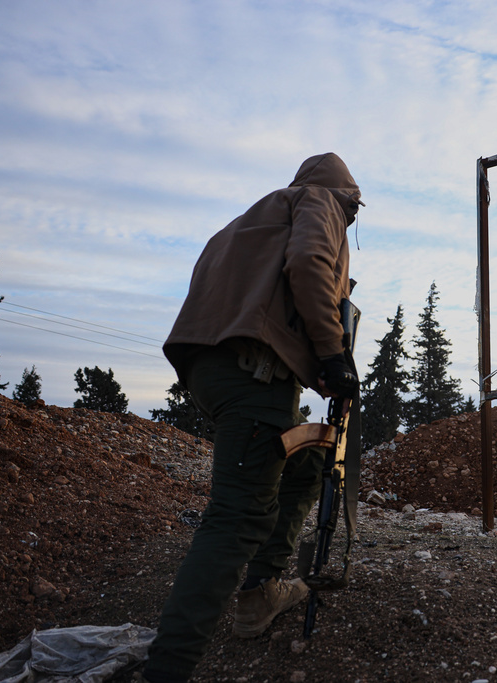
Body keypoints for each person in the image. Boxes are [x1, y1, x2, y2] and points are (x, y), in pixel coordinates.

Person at [142, 153, 363, 683]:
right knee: (236, 519)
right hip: (253, 376)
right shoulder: (320, 202)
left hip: (215, 371)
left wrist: (315, 367)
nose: (350, 220)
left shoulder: (245, 223)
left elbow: (255, 303)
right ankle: (165, 671)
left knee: (306, 466)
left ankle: (259, 594)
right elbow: (309, 262)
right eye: (352, 210)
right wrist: (334, 353)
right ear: (346, 196)